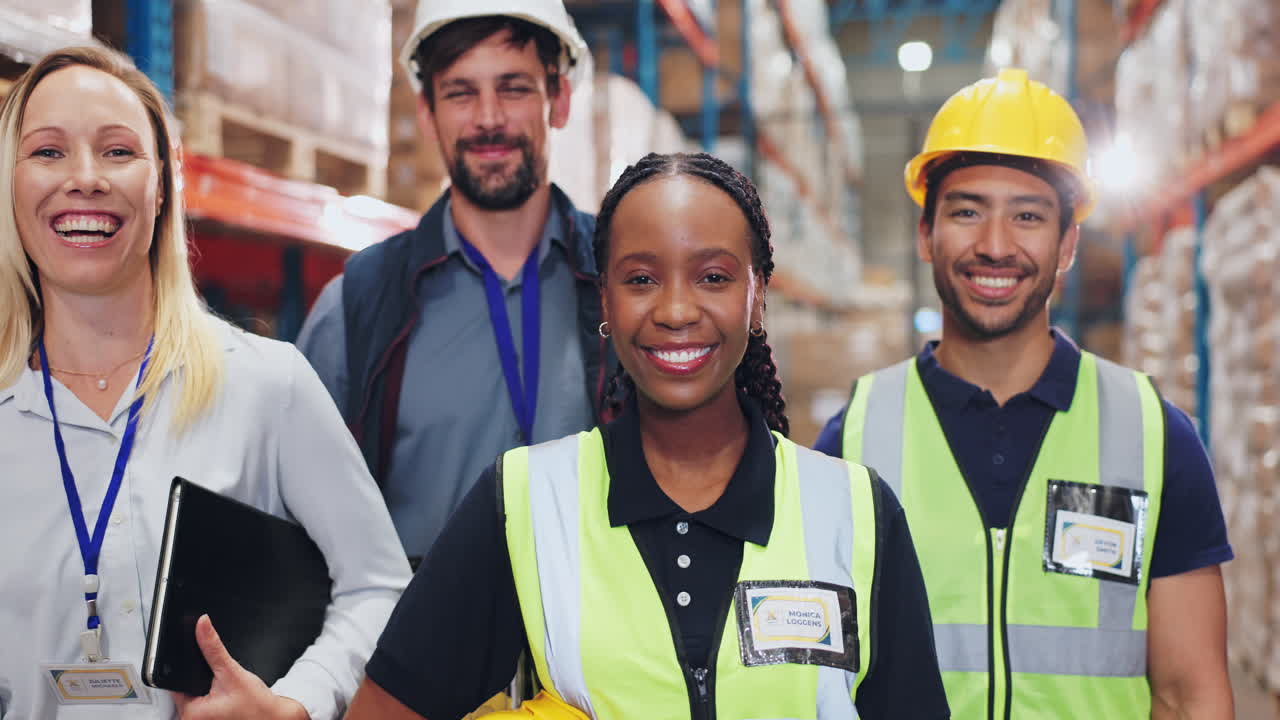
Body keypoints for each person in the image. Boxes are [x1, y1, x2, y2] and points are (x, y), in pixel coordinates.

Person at [341, 152, 951, 720]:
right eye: (640, 280)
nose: (676, 310)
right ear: (604, 297)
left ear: (757, 295)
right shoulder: (528, 502)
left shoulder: (855, 514)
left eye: (713, 277)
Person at [0, 47, 411, 719]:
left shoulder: (265, 386)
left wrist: (294, 705)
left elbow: (379, 586)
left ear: (162, 184)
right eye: (47, 152)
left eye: (118, 152)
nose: (84, 179)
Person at [814, 68, 1234, 719]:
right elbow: (819, 684)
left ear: (1067, 244)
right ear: (926, 235)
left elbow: (1191, 696)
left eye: (1029, 216)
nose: (995, 246)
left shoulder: (1153, 436)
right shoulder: (854, 439)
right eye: (966, 212)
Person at [295, 0, 611, 568]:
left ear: (558, 100)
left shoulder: (620, 280)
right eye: (461, 93)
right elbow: (299, 513)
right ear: (427, 112)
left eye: (513, 88)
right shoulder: (360, 304)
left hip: (593, 645)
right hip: (415, 649)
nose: (488, 119)